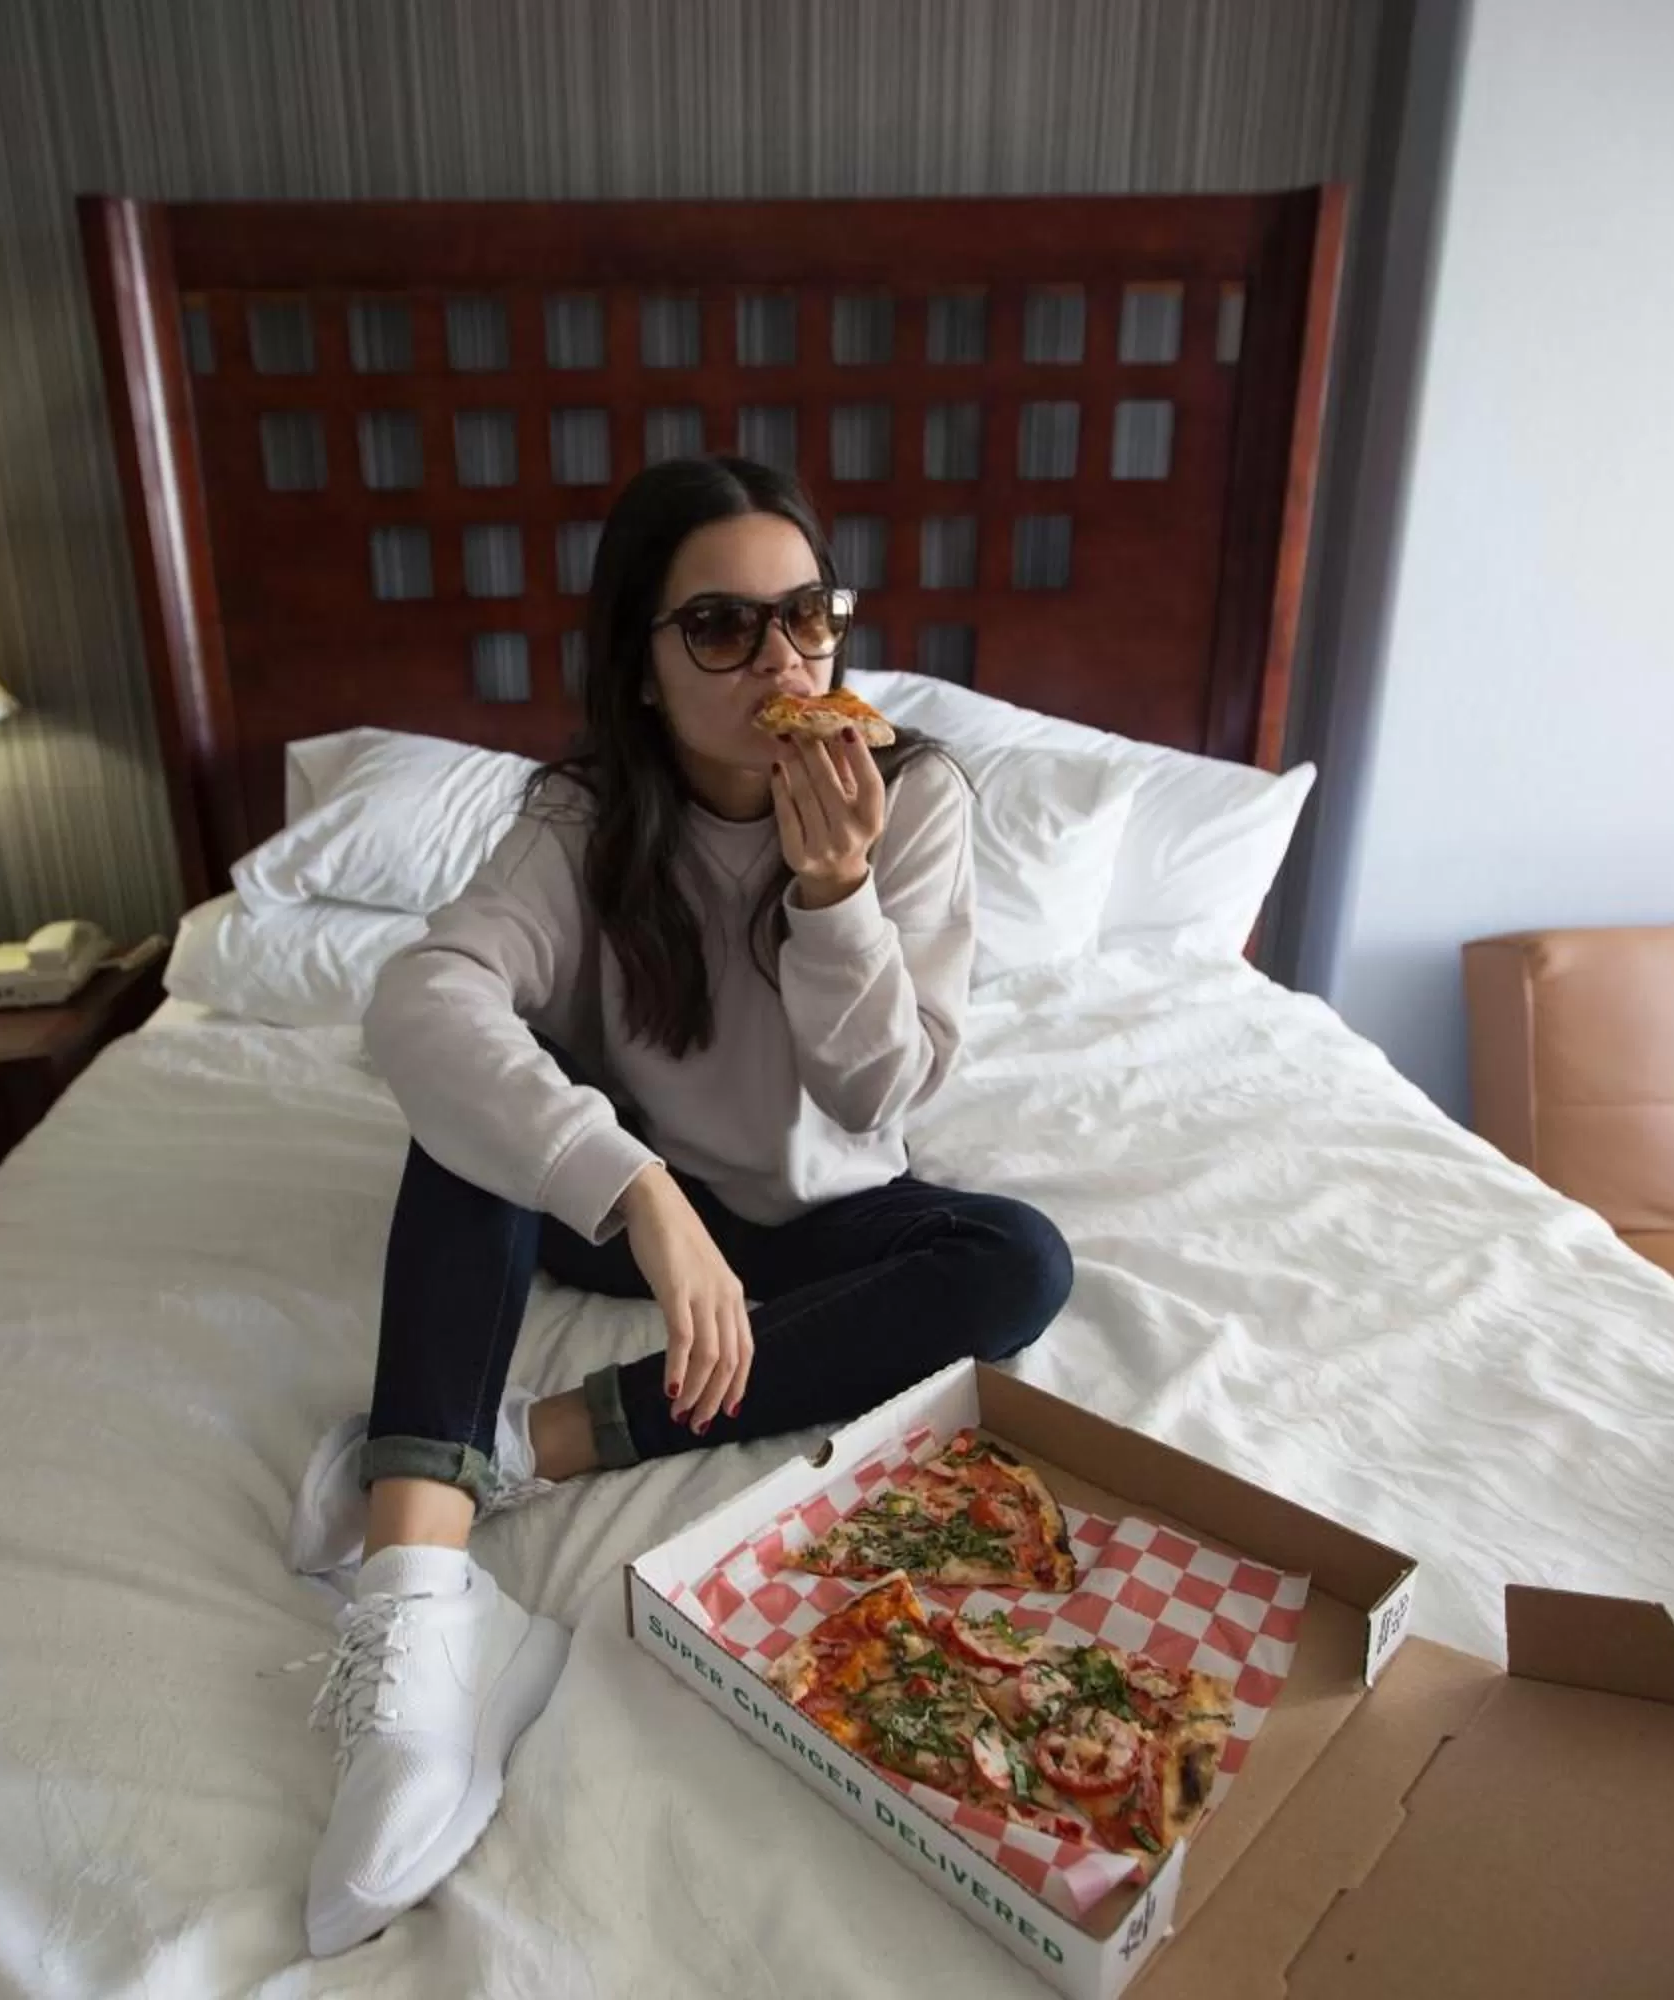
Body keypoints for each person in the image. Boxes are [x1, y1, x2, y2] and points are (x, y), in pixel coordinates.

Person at [289, 455, 1075, 1955]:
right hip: (640, 1203)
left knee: (1018, 1262)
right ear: (642, 671)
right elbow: (424, 997)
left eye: (806, 617)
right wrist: (635, 1185)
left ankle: (527, 1444)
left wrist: (834, 890)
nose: (783, 662)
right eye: (722, 628)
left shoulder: (908, 800)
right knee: (461, 1126)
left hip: (825, 1209)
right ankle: (418, 1594)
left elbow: (877, 1102)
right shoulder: (584, 815)